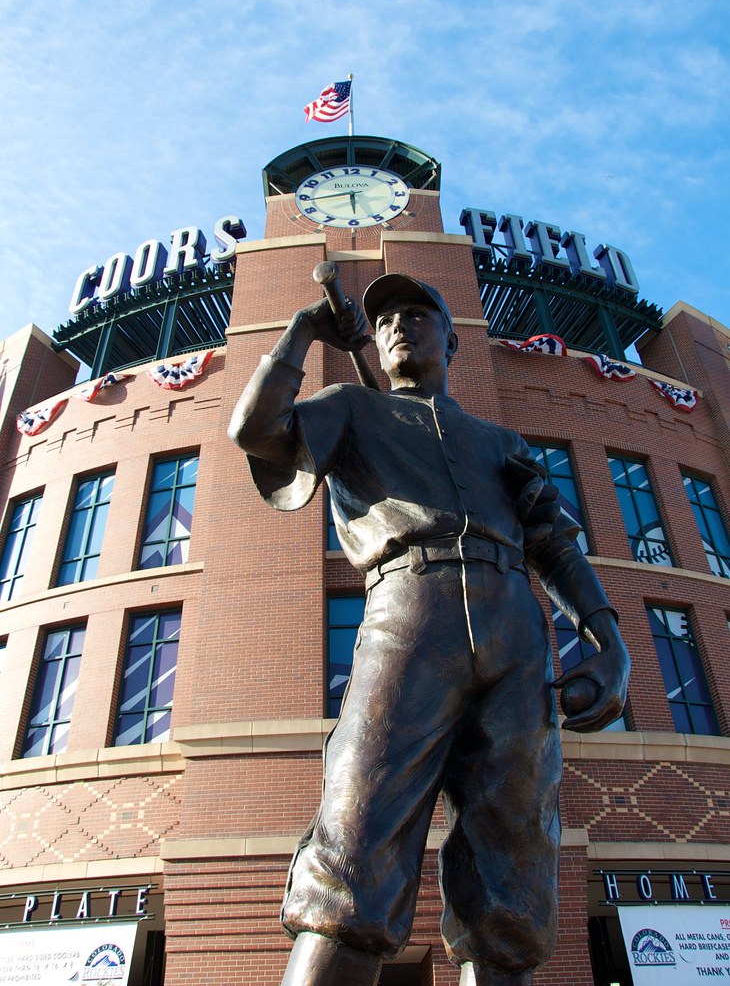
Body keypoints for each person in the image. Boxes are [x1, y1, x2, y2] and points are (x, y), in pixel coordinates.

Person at [228, 273, 630, 986]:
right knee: (354, 851)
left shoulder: (498, 438)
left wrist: (607, 635)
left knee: (512, 875)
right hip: (408, 618)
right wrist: (301, 332)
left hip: (515, 630)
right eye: (384, 320)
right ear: (372, 343)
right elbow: (257, 431)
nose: (397, 325)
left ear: (452, 339)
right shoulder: (350, 407)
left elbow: (555, 541)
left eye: (418, 314)